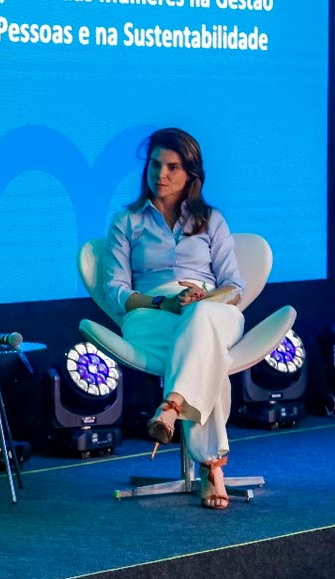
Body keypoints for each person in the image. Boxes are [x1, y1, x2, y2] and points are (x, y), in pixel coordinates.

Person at [102, 127, 245, 510]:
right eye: (154, 165)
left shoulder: (211, 220)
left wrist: (206, 298)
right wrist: (162, 303)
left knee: (202, 322)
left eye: (172, 167)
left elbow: (235, 286)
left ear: (191, 175)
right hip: (152, 314)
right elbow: (114, 291)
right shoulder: (126, 222)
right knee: (209, 353)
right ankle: (212, 466)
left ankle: (171, 405)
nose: (160, 175)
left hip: (214, 309)